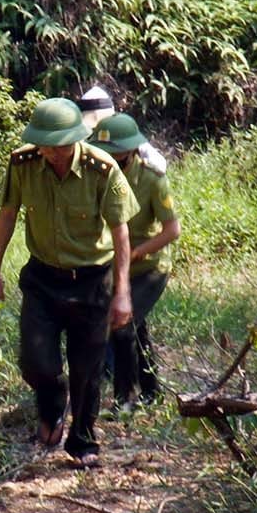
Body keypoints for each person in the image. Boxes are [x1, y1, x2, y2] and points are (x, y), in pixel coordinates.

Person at [0, 97, 135, 467]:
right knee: (36, 362)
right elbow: (7, 213)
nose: (53, 153)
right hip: (43, 278)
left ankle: (82, 440)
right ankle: (52, 405)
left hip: (91, 280)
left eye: (61, 145)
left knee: (88, 368)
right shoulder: (23, 163)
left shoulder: (103, 169)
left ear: (76, 138)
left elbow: (120, 233)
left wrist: (122, 292)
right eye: (46, 145)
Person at [90, 113, 178, 407]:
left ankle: (125, 399)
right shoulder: (102, 176)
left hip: (150, 266)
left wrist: (137, 252)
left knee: (122, 325)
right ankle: (152, 390)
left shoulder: (152, 179)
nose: (110, 160)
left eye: (116, 155)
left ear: (130, 151)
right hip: (116, 266)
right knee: (135, 327)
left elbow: (171, 230)